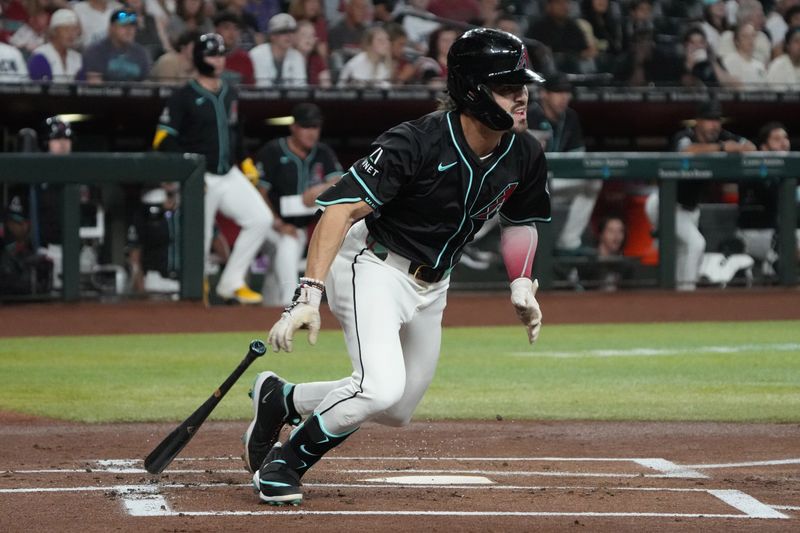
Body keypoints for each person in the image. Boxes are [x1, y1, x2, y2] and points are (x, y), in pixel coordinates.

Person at [244, 28, 550, 505]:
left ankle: (282, 399)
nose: (523, 96)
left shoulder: (525, 152)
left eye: (522, 86)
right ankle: (286, 463)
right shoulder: (416, 141)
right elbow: (338, 209)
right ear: (473, 91)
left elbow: (521, 220)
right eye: (509, 87)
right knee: (380, 387)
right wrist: (308, 295)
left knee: (397, 406)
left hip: (434, 283)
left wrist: (522, 282)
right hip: (373, 264)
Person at [154, 33, 277, 304]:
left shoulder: (230, 93)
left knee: (261, 219)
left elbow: (237, 137)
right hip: (199, 176)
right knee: (199, 236)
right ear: (199, 58)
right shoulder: (182, 96)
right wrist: (188, 171)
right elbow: (163, 139)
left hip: (227, 173)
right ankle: (197, 292)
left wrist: (246, 165)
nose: (219, 60)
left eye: (222, 55)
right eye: (212, 55)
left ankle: (231, 282)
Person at [645, 100, 756, 291]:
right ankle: (687, 294)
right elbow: (686, 151)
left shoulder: (721, 135)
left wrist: (735, 145)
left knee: (683, 252)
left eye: (717, 120)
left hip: (690, 210)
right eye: (709, 120)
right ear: (698, 122)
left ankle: (677, 296)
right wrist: (721, 149)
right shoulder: (684, 135)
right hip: (665, 203)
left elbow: (751, 147)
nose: (714, 125)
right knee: (696, 244)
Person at [254, 102, 342, 306]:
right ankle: (291, 301)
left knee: (276, 271)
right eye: (306, 126)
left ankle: (267, 311)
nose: (312, 132)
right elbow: (260, 192)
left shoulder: (322, 152)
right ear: (294, 127)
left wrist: (320, 188)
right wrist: (277, 223)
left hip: (298, 227)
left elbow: (340, 180)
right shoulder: (273, 151)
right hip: (269, 224)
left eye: (315, 127)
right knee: (288, 244)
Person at [528, 72, 599, 255]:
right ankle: (471, 239)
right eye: (558, 92)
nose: (564, 97)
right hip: (530, 184)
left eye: (567, 92)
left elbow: (578, 158)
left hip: (557, 181)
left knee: (593, 180)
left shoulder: (571, 118)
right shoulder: (530, 115)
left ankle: (569, 241)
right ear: (544, 93)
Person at [737, 121, 800, 276]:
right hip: (754, 234)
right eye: (777, 139)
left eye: (785, 138)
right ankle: (774, 267)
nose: (784, 143)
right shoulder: (755, 171)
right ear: (764, 147)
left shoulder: (793, 171)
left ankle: (776, 268)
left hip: (782, 233)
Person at [126, 184, 182, 294]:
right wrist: (137, 275)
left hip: (184, 280)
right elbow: (135, 247)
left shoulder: (187, 211)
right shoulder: (146, 211)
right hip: (155, 280)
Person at [83, 9, 152, 83]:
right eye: (124, 26)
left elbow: (146, 84)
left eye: (132, 26)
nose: (129, 30)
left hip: (135, 93)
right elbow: (94, 86)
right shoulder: (95, 51)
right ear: (111, 28)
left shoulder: (140, 52)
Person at [249, 13, 306, 87]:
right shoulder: (256, 54)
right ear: (272, 36)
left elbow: (301, 88)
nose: (289, 36)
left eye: (292, 32)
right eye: (283, 32)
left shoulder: (297, 56)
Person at [27, 8, 83, 82]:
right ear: (54, 31)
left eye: (74, 30)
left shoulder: (78, 58)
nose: (71, 34)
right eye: (66, 29)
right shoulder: (40, 55)